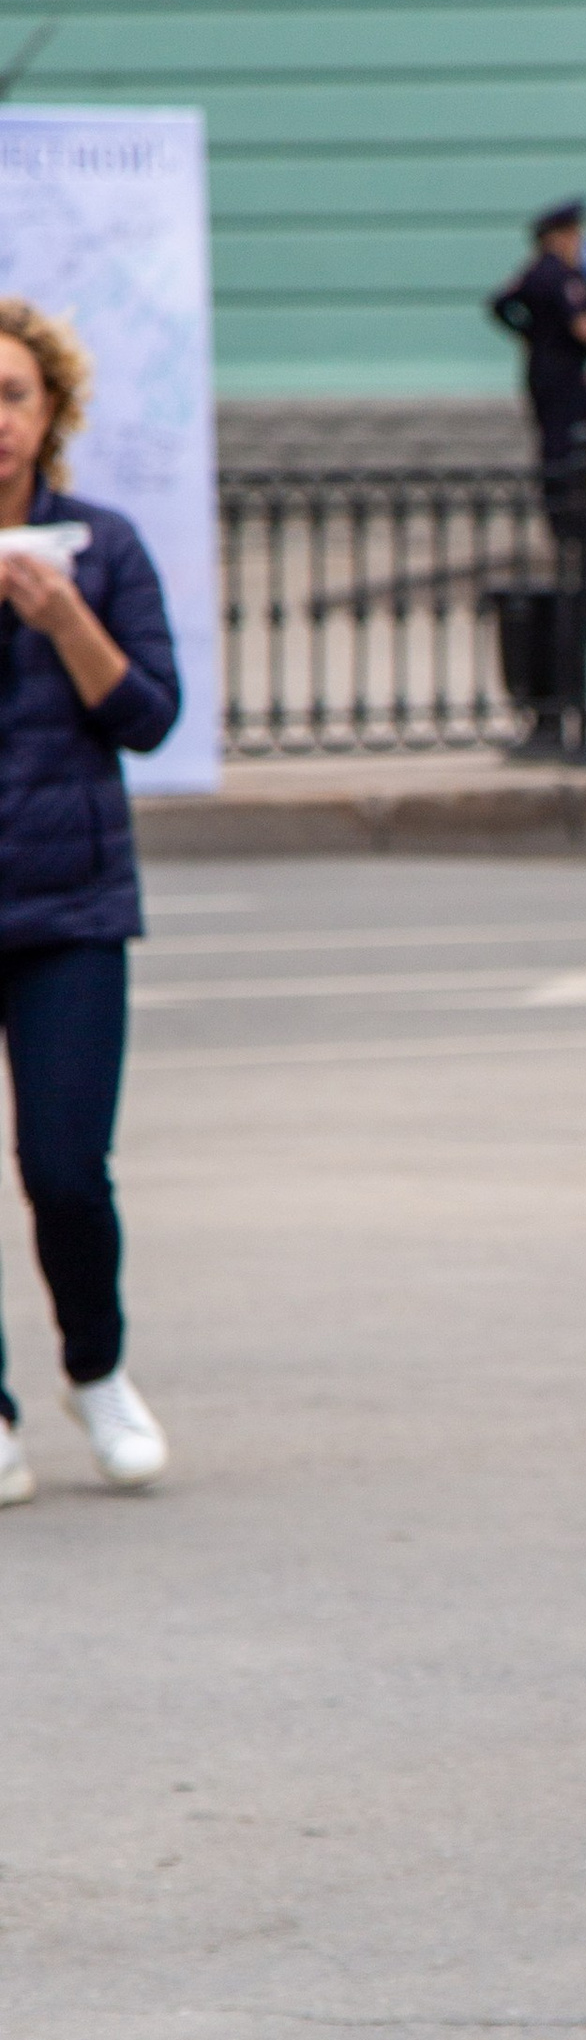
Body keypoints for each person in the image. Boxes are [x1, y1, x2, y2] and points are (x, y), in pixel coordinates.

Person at [0, 296, 184, 1504]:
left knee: (67, 1168)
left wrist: (64, 616)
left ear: (52, 410)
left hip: (67, 910)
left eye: (13, 396)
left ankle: (96, 1369)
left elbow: (148, 717)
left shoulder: (102, 547)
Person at [488, 199, 586, 490]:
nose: (578, 241)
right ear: (554, 238)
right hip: (553, 373)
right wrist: (531, 334)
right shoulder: (545, 273)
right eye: (572, 235)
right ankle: (566, 515)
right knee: (560, 446)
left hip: (575, 373)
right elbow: (501, 304)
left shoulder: (575, 274)